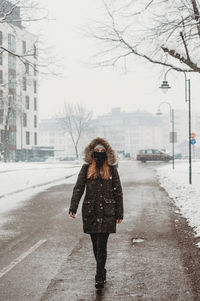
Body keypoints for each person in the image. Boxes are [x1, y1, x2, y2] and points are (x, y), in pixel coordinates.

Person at [69, 137, 123, 289]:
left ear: (106, 153)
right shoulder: (86, 168)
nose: (99, 153)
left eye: (102, 151)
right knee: (95, 245)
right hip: (91, 211)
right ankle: (102, 269)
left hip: (107, 212)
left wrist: (119, 213)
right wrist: (73, 207)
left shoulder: (112, 169)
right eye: (97, 151)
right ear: (92, 153)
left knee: (102, 245)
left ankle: (99, 275)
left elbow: (118, 191)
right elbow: (79, 188)